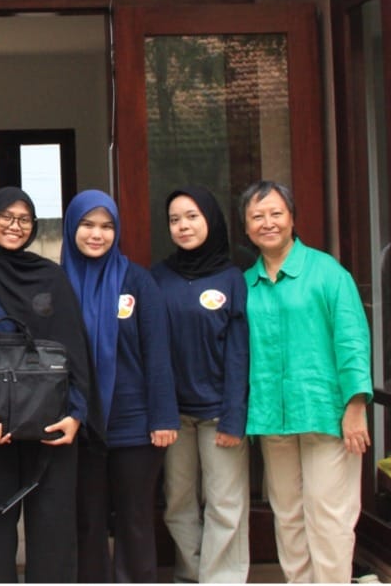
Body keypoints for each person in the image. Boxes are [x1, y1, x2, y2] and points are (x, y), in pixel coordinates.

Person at [0, 187, 98, 583]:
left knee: (53, 534)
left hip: (51, 425)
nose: (15, 226)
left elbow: (74, 350)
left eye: (24, 219)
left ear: (34, 226)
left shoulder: (52, 277)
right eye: (6, 217)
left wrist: (76, 414)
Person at [240, 180, 372, 583]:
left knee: (329, 516)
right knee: (288, 517)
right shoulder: (245, 283)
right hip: (272, 418)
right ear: (246, 227)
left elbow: (352, 340)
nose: (267, 223)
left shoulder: (327, 273)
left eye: (276, 213)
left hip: (325, 415)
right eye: (257, 216)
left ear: (292, 219)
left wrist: (356, 405)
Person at [61, 189, 179, 583]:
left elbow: (157, 352)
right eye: (87, 224)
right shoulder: (58, 283)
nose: (97, 234)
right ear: (71, 228)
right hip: (79, 425)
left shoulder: (138, 281)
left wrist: (163, 417)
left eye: (106, 226)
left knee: (135, 520)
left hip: (134, 425)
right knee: (87, 521)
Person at [151, 186, 250, 583]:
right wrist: (159, 411)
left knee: (224, 504)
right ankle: (191, 576)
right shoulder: (158, 277)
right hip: (173, 416)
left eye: (192, 216)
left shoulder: (232, 278)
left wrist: (234, 416)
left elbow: (239, 353)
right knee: (177, 504)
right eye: (175, 219)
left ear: (210, 219)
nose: (183, 226)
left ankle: (221, 579)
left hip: (218, 414)